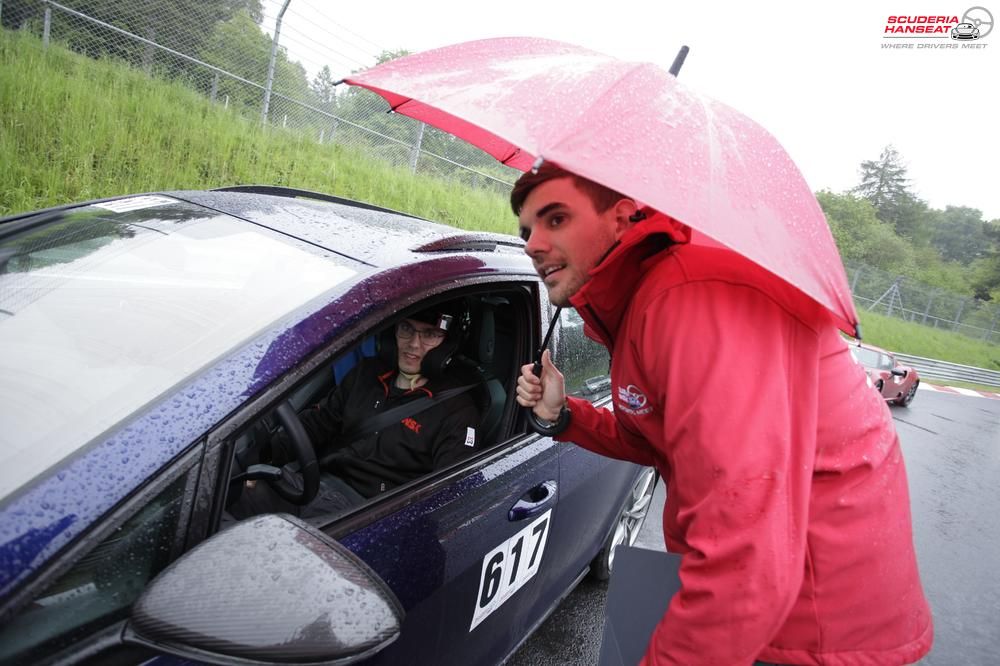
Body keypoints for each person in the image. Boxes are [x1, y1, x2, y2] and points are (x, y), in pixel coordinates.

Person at [513, 163, 933, 665]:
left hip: (808, 630)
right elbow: (663, 441)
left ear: (622, 218)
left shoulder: (690, 300)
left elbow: (745, 564)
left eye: (555, 219)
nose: (533, 243)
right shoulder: (647, 300)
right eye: (526, 228)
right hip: (771, 606)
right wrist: (564, 417)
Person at [264, 302, 481, 512]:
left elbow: (450, 493)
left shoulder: (457, 410)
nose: (414, 344)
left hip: (363, 514)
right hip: (316, 484)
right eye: (406, 328)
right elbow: (316, 424)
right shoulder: (367, 373)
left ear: (447, 344)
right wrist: (262, 456)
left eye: (430, 334)